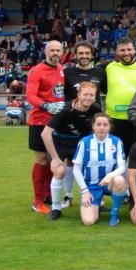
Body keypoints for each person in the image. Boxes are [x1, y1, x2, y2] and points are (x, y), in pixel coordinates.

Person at [42, 81, 102, 219]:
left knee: (89, 169)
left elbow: (100, 128)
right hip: (59, 143)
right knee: (60, 170)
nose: (88, 98)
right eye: (85, 94)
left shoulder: (96, 109)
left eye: (91, 95)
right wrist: (55, 158)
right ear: (78, 95)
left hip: (78, 144)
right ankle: (56, 208)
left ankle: (87, 200)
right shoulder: (65, 110)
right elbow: (45, 134)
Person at [26, 39, 66, 214]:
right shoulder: (36, 71)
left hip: (58, 122)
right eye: (53, 50)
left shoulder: (61, 69)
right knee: (42, 160)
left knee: (54, 159)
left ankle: (48, 194)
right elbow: (30, 96)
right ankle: (37, 201)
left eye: (59, 50)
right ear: (46, 52)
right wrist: (46, 105)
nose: (56, 53)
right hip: (40, 121)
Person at [71, 113, 128, 227]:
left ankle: (114, 214)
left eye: (105, 125)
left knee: (119, 180)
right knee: (89, 221)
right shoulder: (84, 142)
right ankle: (95, 205)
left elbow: (122, 167)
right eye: (98, 124)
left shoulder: (116, 142)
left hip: (109, 183)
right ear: (93, 126)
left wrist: (110, 176)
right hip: (91, 186)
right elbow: (76, 169)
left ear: (110, 127)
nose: (102, 127)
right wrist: (85, 191)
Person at [103, 37, 136, 152]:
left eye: (129, 50)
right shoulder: (108, 66)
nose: (126, 53)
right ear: (117, 52)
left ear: (134, 50)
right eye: (122, 50)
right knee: (114, 156)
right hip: (114, 120)